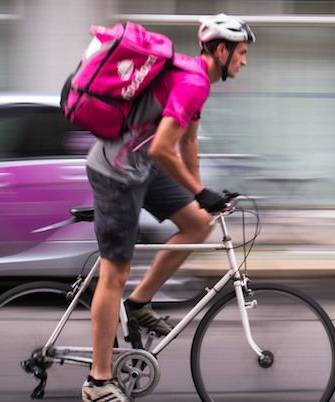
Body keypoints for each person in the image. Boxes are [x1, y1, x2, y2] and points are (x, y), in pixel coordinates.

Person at [81, 14, 255, 402]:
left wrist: (201, 194)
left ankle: (140, 302)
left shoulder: (197, 81)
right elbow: (163, 146)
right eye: (241, 53)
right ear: (221, 50)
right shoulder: (193, 82)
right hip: (117, 171)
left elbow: (187, 142)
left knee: (197, 223)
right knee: (115, 272)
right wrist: (198, 188)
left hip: (143, 166)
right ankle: (98, 382)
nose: (244, 61)